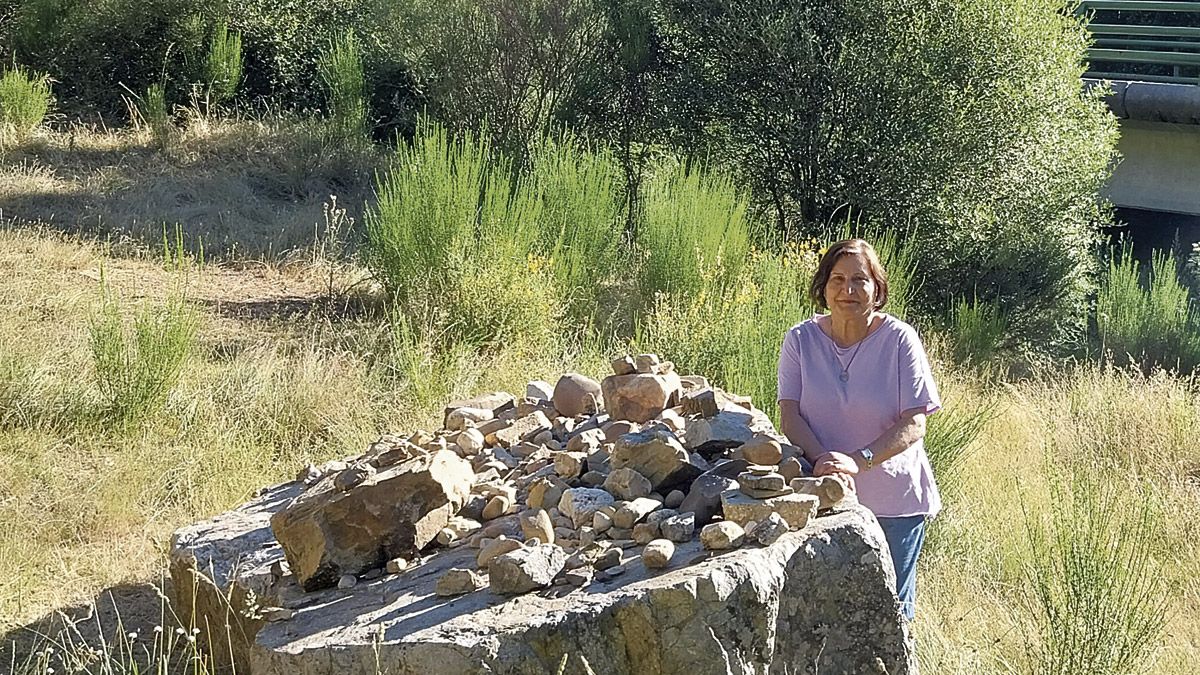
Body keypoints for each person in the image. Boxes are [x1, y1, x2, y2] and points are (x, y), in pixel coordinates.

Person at [776, 238, 941, 621]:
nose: (847, 290)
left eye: (859, 280)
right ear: (823, 286)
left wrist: (857, 460)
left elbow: (915, 422)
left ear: (877, 289)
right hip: (823, 499)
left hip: (894, 504)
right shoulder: (800, 340)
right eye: (837, 279)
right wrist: (824, 463)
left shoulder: (900, 340)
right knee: (824, 618)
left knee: (891, 618)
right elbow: (790, 415)